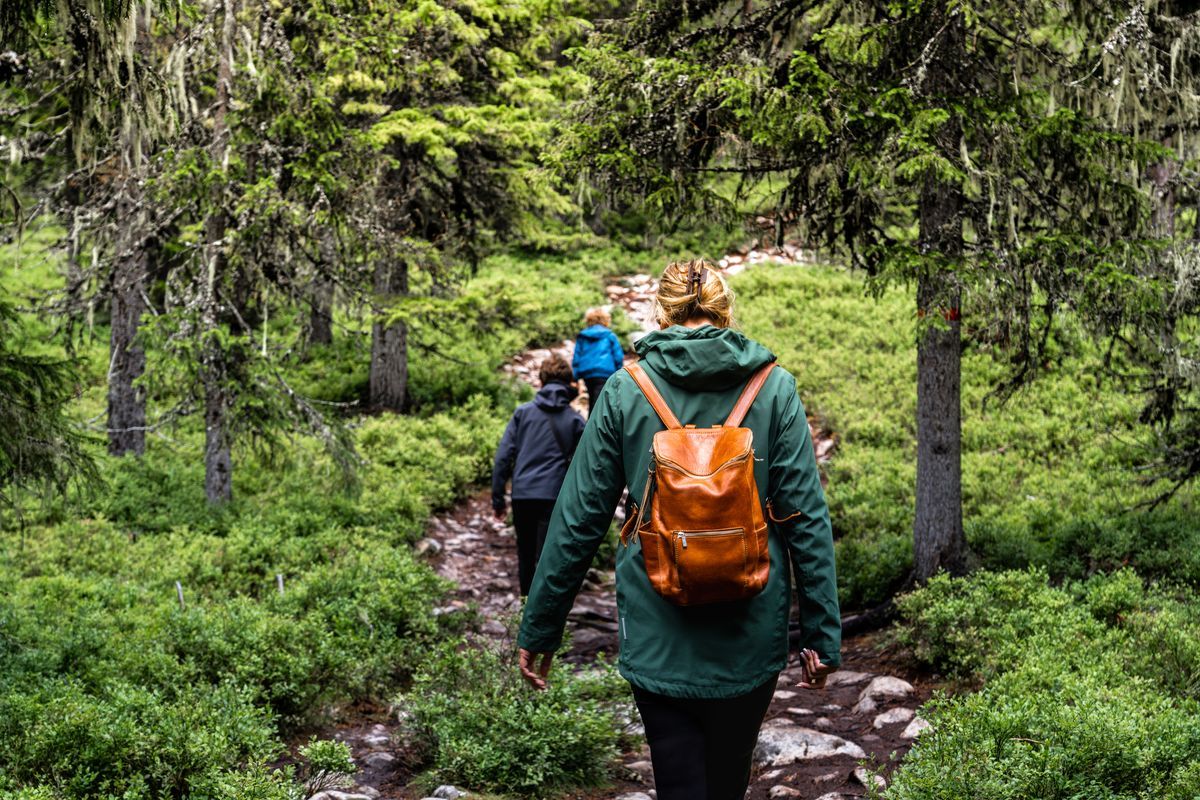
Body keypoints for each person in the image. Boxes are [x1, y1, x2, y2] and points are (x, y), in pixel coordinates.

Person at [517, 260, 841, 800]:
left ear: (662, 312)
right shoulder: (775, 387)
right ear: (725, 308)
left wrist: (540, 628)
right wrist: (821, 633)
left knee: (677, 779)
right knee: (728, 778)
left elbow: (578, 519)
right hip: (751, 629)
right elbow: (804, 516)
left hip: (658, 629)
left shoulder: (625, 390)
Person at [492, 354, 586, 597]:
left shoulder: (522, 414)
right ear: (569, 383)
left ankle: (525, 609)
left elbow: (503, 457)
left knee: (525, 555)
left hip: (522, 494)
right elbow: (583, 467)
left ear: (541, 381)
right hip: (554, 497)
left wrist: (498, 499)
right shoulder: (575, 420)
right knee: (548, 558)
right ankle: (544, 614)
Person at [572, 307, 625, 413]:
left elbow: (577, 357)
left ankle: (590, 424)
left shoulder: (583, 336)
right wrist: (619, 372)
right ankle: (594, 426)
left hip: (587, 374)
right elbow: (618, 356)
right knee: (599, 403)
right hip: (605, 372)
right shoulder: (610, 335)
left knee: (593, 398)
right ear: (605, 320)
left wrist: (575, 377)